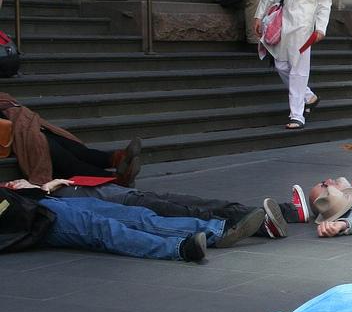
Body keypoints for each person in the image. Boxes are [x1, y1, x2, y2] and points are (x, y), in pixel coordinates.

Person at [0, 184, 244, 262]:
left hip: (37, 201)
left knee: (132, 213)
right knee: (101, 228)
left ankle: (215, 230)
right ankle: (179, 248)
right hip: (31, 221)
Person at [8, 177, 294, 238]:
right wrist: (39, 189)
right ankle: (259, 227)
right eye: (11, 185)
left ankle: (283, 212)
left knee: (198, 202)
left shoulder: (47, 187)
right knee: (192, 212)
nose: (13, 183)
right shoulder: (38, 199)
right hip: (121, 202)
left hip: (126, 192)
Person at [254, 0, 332, 130]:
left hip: (304, 24)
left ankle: (297, 115)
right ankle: (308, 96)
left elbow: (325, 0)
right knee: (280, 64)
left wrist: (320, 28)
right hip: (283, 19)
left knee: (298, 69)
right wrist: (259, 15)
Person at [0, 94, 141, 187]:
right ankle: (114, 178)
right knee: (49, 148)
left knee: (65, 143)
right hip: (8, 135)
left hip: (12, 126)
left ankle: (115, 159)